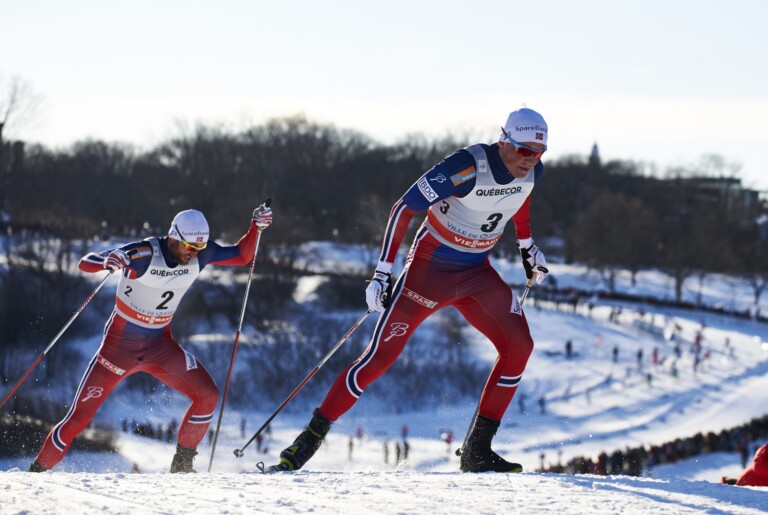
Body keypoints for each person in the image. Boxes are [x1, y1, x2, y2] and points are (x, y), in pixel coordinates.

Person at [271, 107, 550, 473]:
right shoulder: (466, 167)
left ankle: (477, 451)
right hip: (429, 272)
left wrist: (526, 245)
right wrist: (382, 273)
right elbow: (403, 208)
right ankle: (309, 439)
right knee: (378, 359)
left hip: (476, 273)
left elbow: (519, 197)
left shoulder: (532, 171)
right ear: (503, 140)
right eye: (524, 150)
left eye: (539, 152)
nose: (531, 159)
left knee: (520, 346)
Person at [29, 205, 273, 473]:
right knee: (77, 420)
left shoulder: (200, 254)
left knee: (208, 395)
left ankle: (182, 468)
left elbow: (241, 256)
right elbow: (86, 262)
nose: (194, 252)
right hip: (118, 352)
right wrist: (109, 260)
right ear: (175, 236)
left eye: (200, 247)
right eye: (190, 246)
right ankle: (35, 475)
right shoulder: (144, 254)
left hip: (160, 348)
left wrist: (256, 227)